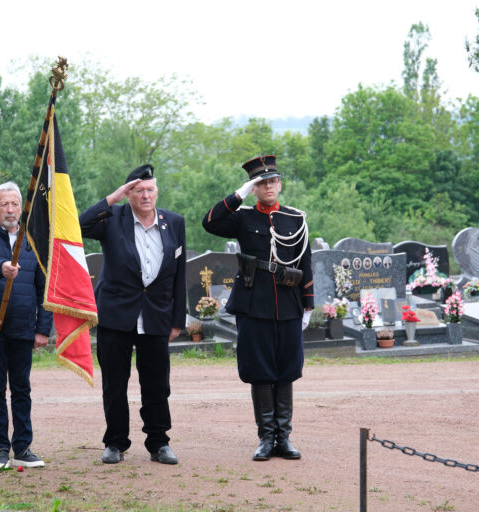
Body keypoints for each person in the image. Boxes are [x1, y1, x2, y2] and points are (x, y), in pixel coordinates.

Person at [202, 155, 313, 461]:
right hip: (254, 305)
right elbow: (209, 222)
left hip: (289, 303)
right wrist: (238, 194)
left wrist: (309, 305)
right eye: (261, 183)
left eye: (272, 181)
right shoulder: (244, 218)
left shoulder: (296, 219)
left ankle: (284, 437)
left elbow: (305, 262)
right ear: (254, 188)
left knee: (287, 369)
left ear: (280, 184)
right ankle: (266, 437)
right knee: (260, 370)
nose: (268, 186)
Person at [79, 164, 186, 465]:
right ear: (129, 194)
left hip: (156, 315)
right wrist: (113, 198)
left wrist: (177, 319)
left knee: (156, 383)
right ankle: (115, 442)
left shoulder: (173, 222)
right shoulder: (112, 218)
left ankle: (159, 442)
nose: (146, 195)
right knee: (115, 382)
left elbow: (178, 275)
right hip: (116, 314)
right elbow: (79, 225)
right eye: (139, 191)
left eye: (150, 189)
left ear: (157, 192)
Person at [0, 181, 53, 470]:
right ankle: (0, 449)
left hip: (23, 327)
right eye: (4, 204)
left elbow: (44, 287)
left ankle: (23, 447)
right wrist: (0, 268)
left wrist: (43, 328)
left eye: (15, 204)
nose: (10, 209)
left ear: (22, 207)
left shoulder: (33, 242)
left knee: (21, 388)